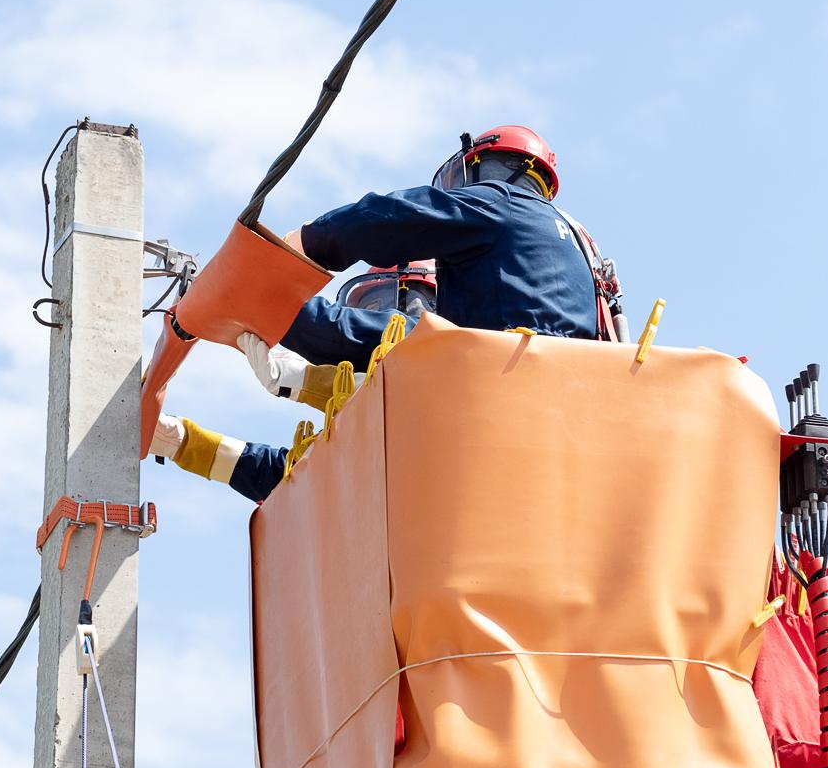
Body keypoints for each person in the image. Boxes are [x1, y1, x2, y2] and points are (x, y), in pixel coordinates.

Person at [152, 125, 624, 499]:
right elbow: (299, 479)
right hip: (558, 422)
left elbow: (387, 229)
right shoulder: (576, 248)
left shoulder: (504, 206)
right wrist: (180, 441)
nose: (390, 313)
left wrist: (278, 271)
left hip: (500, 401)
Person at [151, 261, 436, 502]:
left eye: (382, 304)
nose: (376, 315)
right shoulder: (364, 434)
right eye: (367, 306)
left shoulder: (443, 351)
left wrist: (247, 296)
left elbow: (354, 337)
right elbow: (293, 480)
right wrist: (182, 443)